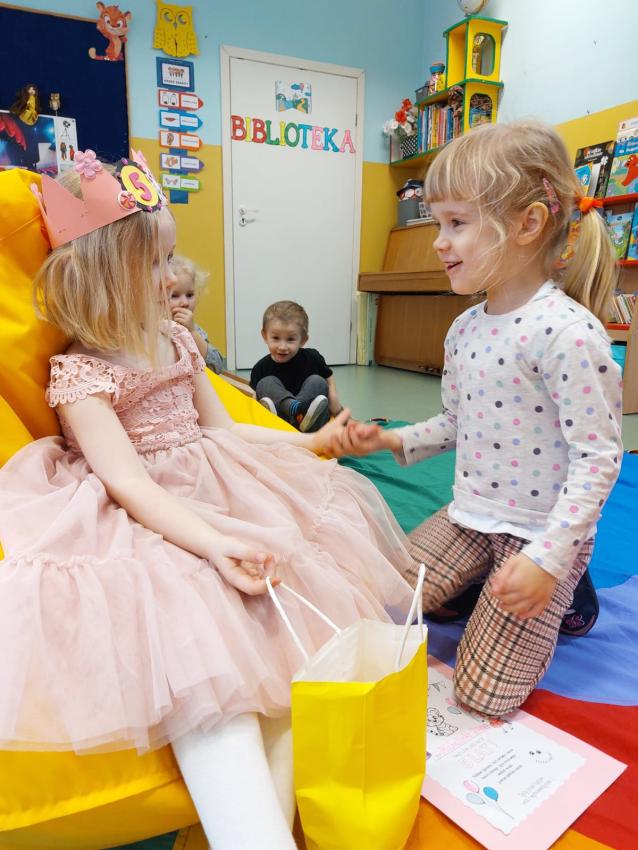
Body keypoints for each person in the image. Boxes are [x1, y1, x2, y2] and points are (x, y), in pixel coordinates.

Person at [0, 151, 414, 850]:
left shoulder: (177, 341)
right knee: (203, 647)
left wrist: (310, 445)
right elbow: (126, 483)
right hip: (147, 517)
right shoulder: (80, 373)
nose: (173, 277)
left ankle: (265, 823)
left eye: (170, 258)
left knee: (285, 628)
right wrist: (213, 540)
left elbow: (226, 431)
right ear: (102, 273)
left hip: (220, 482)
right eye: (155, 262)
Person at [327, 120, 623, 717]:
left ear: (528, 225)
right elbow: (455, 423)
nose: (439, 242)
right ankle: (478, 581)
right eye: (437, 224)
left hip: (538, 531)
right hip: (471, 515)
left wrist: (549, 560)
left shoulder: (568, 335)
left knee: (483, 696)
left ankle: (569, 590)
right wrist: (389, 440)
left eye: (457, 223)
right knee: (383, 597)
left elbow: (597, 459)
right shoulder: (465, 328)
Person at [250, 300, 344, 432]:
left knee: (318, 381)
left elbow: (329, 377)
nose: (282, 347)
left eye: (290, 339)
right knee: (265, 383)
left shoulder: (312, 357)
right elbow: (254, 398)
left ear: (303, 340)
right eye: (276, 338)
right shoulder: (260, 368)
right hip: (279, 418)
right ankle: (293, 410)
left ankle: (300, 414)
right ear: (265, 336)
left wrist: (335, 403)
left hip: (308, 418)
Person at [168, 253, 224, 373]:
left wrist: (192, 333)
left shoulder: (194, 330)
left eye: (189, 295)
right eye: (175, 295)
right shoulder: (151, 332)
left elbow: (217, 366)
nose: (184, 303)